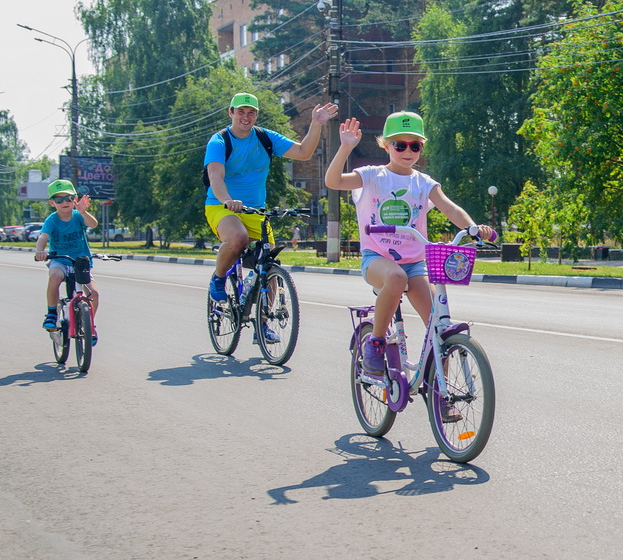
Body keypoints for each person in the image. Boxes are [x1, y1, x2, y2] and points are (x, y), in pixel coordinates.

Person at [324, 111, 496, 418]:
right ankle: (375, 343)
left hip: (416, 262)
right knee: (396, 278)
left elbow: (450, 208)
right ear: (386, 145)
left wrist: (472, 228)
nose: (407, 152)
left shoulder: (424, 183)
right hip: (377, 259)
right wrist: (346, 147)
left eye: (414, 146)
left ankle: (441, 397)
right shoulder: (371, 176)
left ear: (420, 149)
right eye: (400, 145)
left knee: (439, 325)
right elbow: (333, 180)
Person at [204, 92, 337, 342]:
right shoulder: (219, 141)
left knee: (269, 262)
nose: (246, 117)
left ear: (256, 115)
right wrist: (227, 200)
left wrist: (316, 124)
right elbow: (215, 178)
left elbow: (303, 152)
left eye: (251, 112)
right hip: (222, 206)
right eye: (241, 111)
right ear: (230, 113)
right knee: (238, 237)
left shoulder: (264, 138)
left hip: (255, 209)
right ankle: (219, 279)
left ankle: (262, 326)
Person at [34, 179, 100, 342]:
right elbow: (43, 236)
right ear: (52, 203)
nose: (64, 202)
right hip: (60, 260)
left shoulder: (78, 216)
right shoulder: (52, 219)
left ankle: (89, 325)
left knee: (94, 294)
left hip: (80, 262)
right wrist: (40, 250)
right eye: (59, 199)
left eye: (68, 198)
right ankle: (51, 313)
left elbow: (94, 224)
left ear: (75, 199)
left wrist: (84, 212)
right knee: (55, 276)